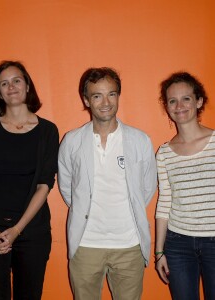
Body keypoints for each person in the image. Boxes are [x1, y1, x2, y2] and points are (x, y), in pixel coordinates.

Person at [58, 67, 157, 300]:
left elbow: (147, 188)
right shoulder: (72, 141)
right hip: (86, 245)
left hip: (129, 245)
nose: (105, 102)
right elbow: (67, 187)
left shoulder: (139, 140)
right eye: (97, 95)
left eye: (111, 94)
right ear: (86, 100)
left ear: (118, 96)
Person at [0, 60, 59, 300]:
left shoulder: (48, 131)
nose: (11, 87)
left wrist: (17, 230)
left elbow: (45, 184)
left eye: (16, 80)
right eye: (4, 83)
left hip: (32, 231)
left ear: (27, 85)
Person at [155, 72, 215, 300]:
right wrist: (159, 252)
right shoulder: (164, 153)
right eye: (172, 100)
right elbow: (164, 203)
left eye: (186, 98)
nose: (179, 106)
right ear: (167, 107)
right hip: (178, 245)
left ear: (199, 101)